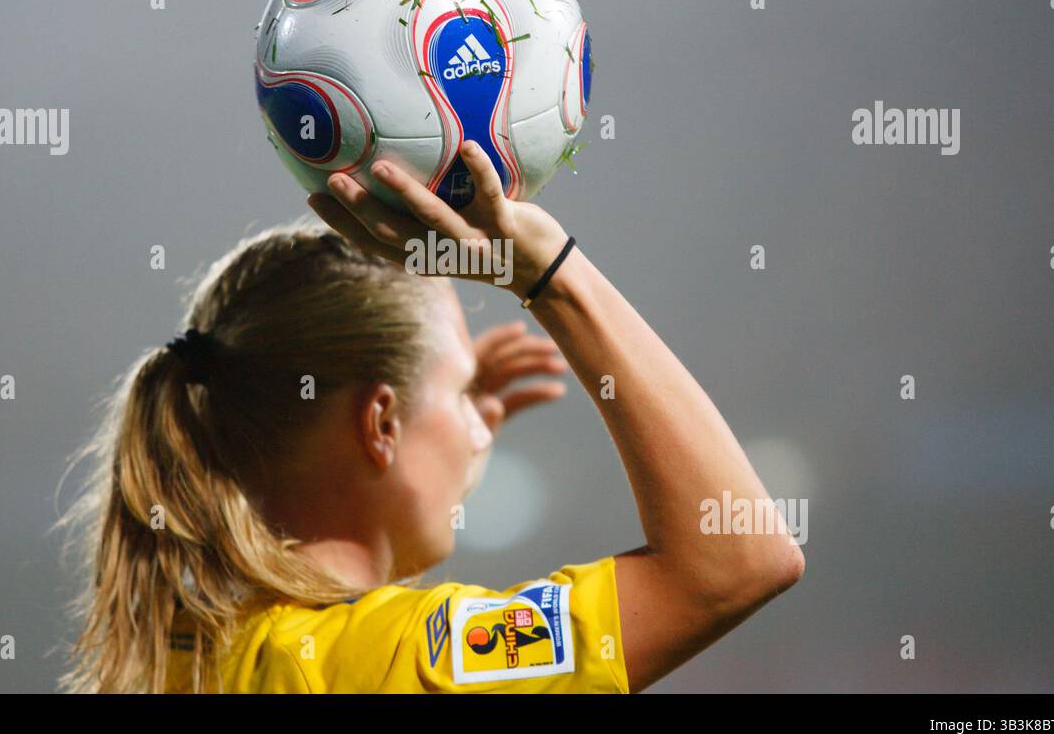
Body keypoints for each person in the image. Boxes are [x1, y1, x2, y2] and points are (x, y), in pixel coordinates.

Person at [57, 140, 804, 693]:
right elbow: (736, 562)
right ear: (381, 424)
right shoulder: (392, 662)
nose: (483, 430)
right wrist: (549, 274)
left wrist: (442, 436)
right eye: (460, 392)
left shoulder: (192, 658)